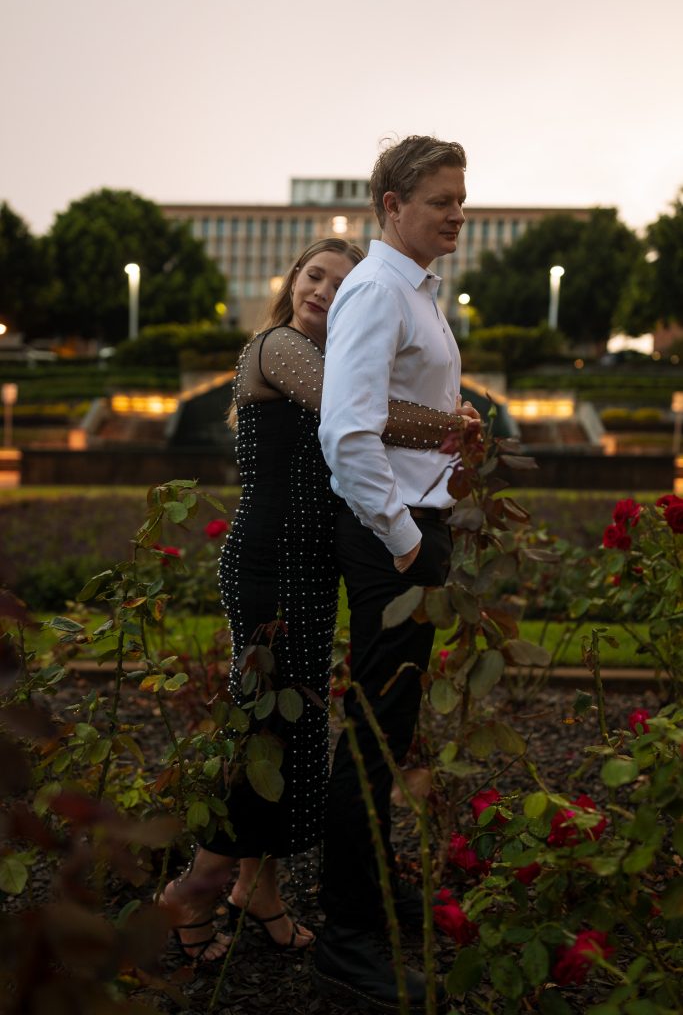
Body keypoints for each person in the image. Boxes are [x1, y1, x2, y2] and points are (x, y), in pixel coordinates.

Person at [159, 238, 466, 963]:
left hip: (307, 567)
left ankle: (256, 891)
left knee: (295, 736)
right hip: (267, 564)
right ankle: (192, 891)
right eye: (313, 274)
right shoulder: (274, 347)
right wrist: (452, 426)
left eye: (340, 282)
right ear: (291, 279)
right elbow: (355, 409)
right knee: (265, 729)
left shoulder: (337, 359)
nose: (322, 290)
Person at [315, 137, 477, 1012]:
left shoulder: (413, 290)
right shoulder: (378, 287)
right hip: (393, 539)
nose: (457, 212)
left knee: (390, 727)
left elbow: (385, 406)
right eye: (440, 199)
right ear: (390, 204)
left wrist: (453, 415)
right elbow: (346, 431)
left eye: (461, 198)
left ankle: (370, 899)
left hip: (412, 529)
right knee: (373, 740)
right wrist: (405, 544)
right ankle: (346, 938)